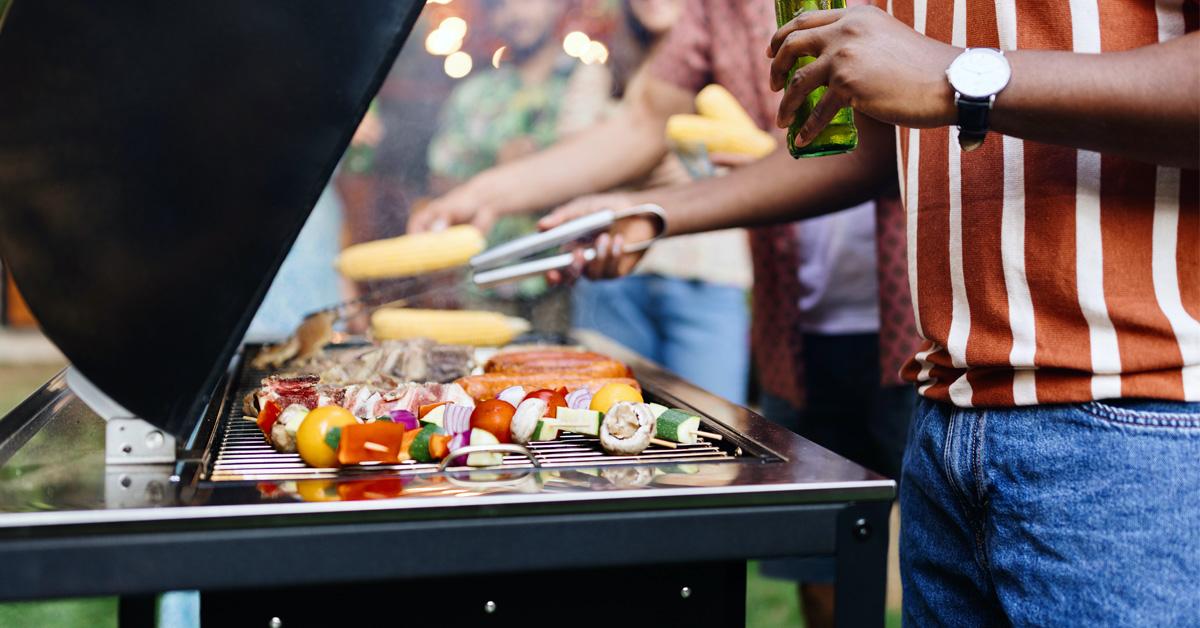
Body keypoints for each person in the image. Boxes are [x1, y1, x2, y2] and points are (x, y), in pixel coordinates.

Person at [546, 3, 1199, 624]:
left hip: (1137, 423)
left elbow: (944, 85)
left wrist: (961, 76)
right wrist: (656, 216)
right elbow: (889, 141)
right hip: (948, 417)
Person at [411, 2, 920, 624]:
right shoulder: (717, 10)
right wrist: (487, 193)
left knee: (917, 566)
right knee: (825, 565)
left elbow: (886, 148)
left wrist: (657, 209)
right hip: (797, 330)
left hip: (911, 332)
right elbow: (644, 120)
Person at [421, 0, 757, 405]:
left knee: (712, 420)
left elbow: (635, 141)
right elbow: (637, 133)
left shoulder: (742, 46)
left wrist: (643, 202)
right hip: (616, 272)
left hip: (707, 275)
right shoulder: (607, 68)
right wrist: (483, 192)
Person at [424, 0, 610, 333]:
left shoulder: (589, 83)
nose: (515, 12)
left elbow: (615, 168)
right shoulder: (473, 95)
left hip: (566, 281)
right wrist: (493, 172)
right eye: (500, 4)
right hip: (485, 282)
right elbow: (440, 181)